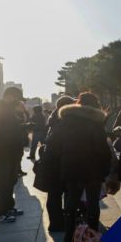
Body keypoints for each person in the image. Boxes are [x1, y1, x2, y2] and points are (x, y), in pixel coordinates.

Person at [47, 92, 111, 242]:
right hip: (92, 167)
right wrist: (105, 170)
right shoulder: (96, 123)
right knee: (92, 202)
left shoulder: (65, 120)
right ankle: (93, 233)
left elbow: (53, 144)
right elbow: (103, 149)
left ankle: (68, 235)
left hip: (71, 166)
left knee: (71, 200)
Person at [0, 87, 26, 223]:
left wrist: (23, 127)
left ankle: (9, 207)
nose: (17, 101)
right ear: (10, 96)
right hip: (2, 151)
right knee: (1, 182)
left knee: (10, 181)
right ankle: (0, 213)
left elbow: (11, 128)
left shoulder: (9, 109)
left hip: (12, 151)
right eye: (16, 98)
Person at [43, 96, 75, 232]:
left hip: (51, 163)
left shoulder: (53, 119)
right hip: (62, 163)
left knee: (54, 195)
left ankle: (55, 223)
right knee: (67, 194)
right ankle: (63, 222)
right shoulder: (66, 121)